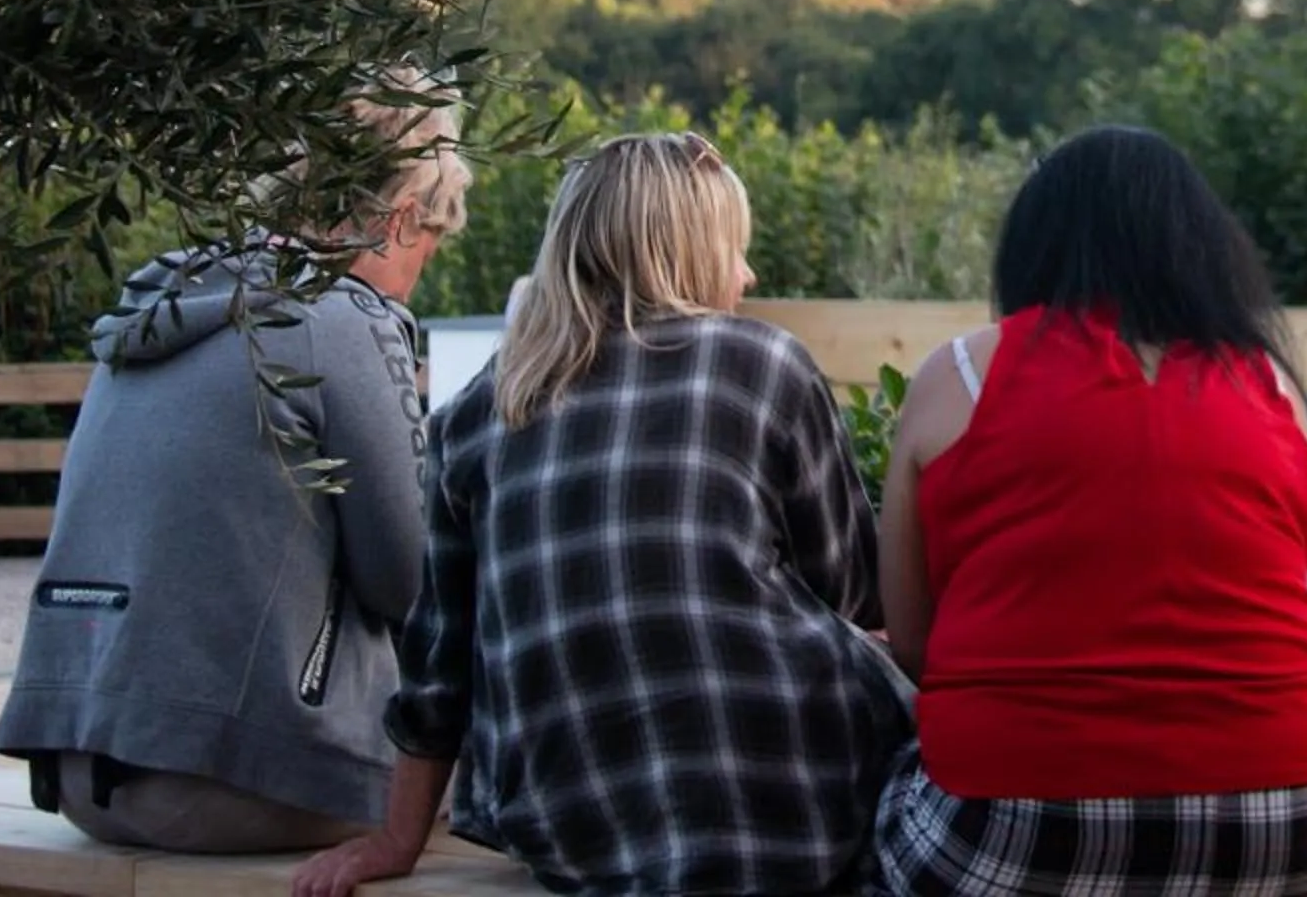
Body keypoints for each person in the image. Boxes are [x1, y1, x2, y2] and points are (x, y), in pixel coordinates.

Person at [293, 131, 909, 897]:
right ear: (683, 251)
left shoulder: (477, 413)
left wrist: (396, 840)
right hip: (789, 807)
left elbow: (436, 671)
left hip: (578, 824)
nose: (747, 275)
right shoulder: (761, 365)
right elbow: (852, 596)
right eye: (734, 250)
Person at [871, 126, 1307, 897]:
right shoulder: (1271, 385)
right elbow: (1280, 579)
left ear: (1035, 242)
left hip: (1017, 824)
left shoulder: (960, 373)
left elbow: (915, 643)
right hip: (1289, 823)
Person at [0, 72, 469, 851]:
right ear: (402, 219)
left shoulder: (165, 303)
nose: (420, 274)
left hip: (78, 771)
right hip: (240, 781)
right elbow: (407, 584)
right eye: (430, 242)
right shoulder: (345, 318)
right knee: (498, 775)